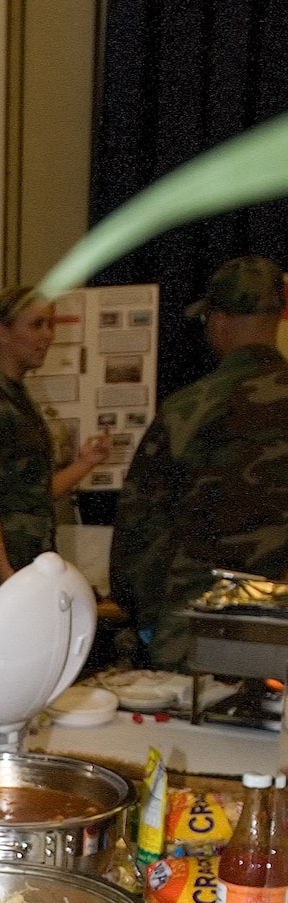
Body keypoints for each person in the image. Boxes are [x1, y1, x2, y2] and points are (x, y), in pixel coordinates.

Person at [109, 256, 288, 665]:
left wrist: (148, 618)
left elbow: (139, 532)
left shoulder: (188, 409)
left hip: (198, 629)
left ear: (220, 322)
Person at [0, 286, 110, 641]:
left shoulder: (16, 397)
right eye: (35, 325)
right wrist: (6, 572)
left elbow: (34, 493)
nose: (47, 336)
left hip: (28, 565)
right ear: (1, 333)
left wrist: (85, 463)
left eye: (50, 325)